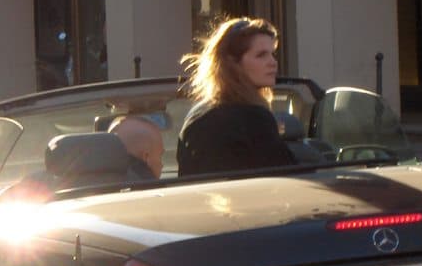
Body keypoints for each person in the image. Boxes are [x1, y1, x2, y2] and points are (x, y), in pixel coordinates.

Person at [177, 17, 296, 175]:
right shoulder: (253, 118)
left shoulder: (197, 114)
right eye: (261, 55)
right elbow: (288, 176)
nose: (273, 62)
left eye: (272, 54)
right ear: (232, 63)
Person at [108, 115, 164, 179]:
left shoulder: (101, 182)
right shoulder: (149, 183)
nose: (162, 165)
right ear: (146, 158)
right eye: (160, 156)